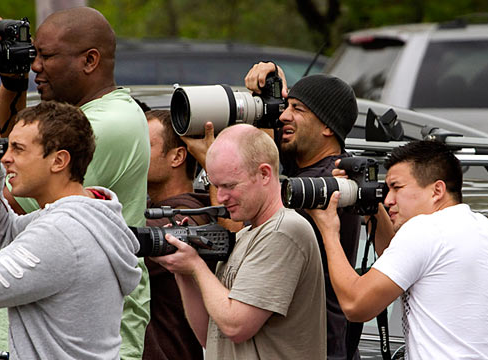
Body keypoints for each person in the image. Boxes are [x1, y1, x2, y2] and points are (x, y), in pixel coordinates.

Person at [0, 8, 151, 359]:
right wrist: (11, 81)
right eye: (33, 54)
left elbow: (9, 193)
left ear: (90, 60)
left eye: (48, 55)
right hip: (46, 321)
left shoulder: (108, 122)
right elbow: (0, 227)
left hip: (80, 333)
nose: (36, 65)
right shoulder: (71, 123)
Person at [0, 101, 142, 359]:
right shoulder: (89, 216)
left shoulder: (61, 233)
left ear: (59, 160)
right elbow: (1, 237)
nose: (6, 158)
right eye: (6, 148)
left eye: (18, 149)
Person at [309, 140, 488, 359]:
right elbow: (398, 261)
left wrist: (328, 230)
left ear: (437, 190)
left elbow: (356, 305)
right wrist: (368, 202)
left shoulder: (424, 229)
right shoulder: (487, 230)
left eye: (397, 188)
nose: (388, 200)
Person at [153, 124, 326, 359]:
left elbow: (236, 326)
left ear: (264, 174)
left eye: (229, 185)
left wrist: (196, 266)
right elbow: (210, 335)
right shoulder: (245, 235)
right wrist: (181, 269)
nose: (221, 197)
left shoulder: (284, 231)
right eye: (215, 186)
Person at [245, 63, 363, 359]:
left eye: (297, 109)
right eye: (285, 106)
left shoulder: (325, 186)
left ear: (326, 126)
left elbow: (247, 223)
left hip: (316, 347)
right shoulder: (313, 170)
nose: (283, 115)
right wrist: (273, 85)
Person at [143, 109, 212, 360]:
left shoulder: (187, 216)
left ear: (177, 157)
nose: (134, 153)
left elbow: (118, 244)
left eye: (143, 145)